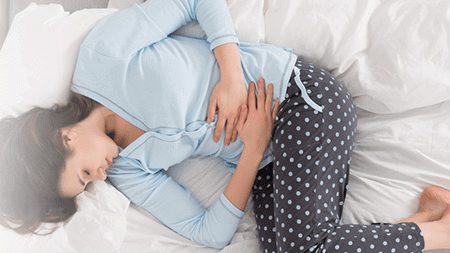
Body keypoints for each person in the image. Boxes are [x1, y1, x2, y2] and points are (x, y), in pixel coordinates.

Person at [1, 0, 450, 251]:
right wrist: (252, 152)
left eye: (83, 173)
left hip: (298, 99)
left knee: (304, 249)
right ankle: (423, 222)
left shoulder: (103, 60)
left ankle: (436, 234)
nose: (98, 178)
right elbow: (208, 232)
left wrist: (232, 77)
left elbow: (194, 0)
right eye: (87, 185)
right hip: (270, 156)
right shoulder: (126, 170)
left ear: (65, 136)